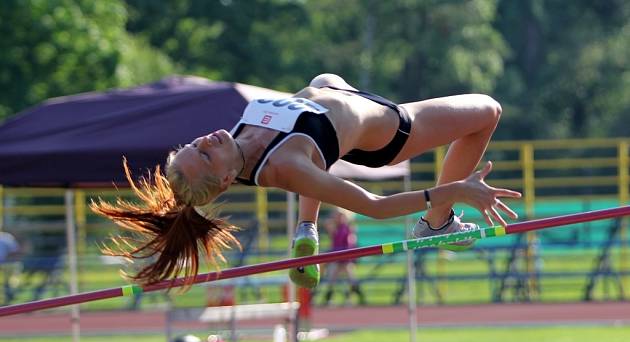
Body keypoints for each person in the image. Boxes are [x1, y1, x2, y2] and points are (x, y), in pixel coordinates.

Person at [91, 73, 521, 290]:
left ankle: (306, 229)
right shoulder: (283, 166)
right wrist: (453, 191)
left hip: (342, 102)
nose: (205, 139)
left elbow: (302, 132)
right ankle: (438, 222)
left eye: (194, 144)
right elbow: (374, 205)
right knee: (488, 111)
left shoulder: (240, 142)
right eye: (203, 152)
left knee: (320, 81)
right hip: (393, 131)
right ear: (224, 178)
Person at [322, 207, 365, 305]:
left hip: (346, 258)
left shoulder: (348, 228)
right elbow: (327, 225)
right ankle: (329, 298)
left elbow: (352, 242)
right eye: (337, 216)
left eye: (341, 216)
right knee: (332, 278)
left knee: (351, 278)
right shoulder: (334, 227)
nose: (339, 218)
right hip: (336, 257)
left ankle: (357, 297)